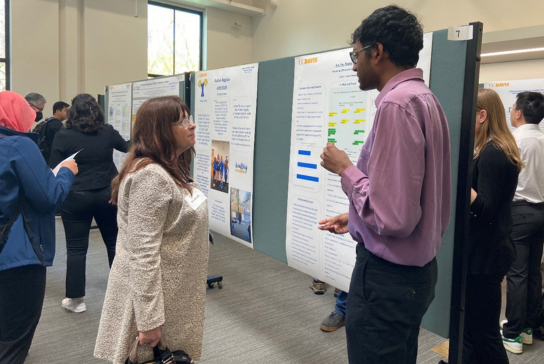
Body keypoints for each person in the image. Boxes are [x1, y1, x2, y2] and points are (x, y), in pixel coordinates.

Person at [319, 6, 451, 363]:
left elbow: (394, 217)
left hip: (386, 280)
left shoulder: (396, 105)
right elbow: (409, 199)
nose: (353, 64)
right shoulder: (426, 100)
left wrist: (346, 170)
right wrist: (358, 217)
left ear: (377, 52)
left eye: (356, 54)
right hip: (415, 275)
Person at [94, 96, 208, 364]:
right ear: (160, 131)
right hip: (155, 298)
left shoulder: (171, 167)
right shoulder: (151, 177)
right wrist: (149, 321)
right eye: (181, 121)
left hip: (171, 290)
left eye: (189, 118)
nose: (191, 126)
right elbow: (143, 254)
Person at [0, 91, 77, 363]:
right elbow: (49, 197)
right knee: (14, 340)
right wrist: (67, 172)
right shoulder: (19, 145)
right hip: (18, 254)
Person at [49, 94, 129, 313]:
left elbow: (54, 167)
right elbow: (129, 148)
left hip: (75, 196)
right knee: (114, 242)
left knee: (76, 249)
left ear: (73, 111)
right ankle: (121, 293)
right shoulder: (108, 132)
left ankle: (76, 300)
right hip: (107, 194)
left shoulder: (63, 136)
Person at [462, 88, 522, 363]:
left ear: (482, 115)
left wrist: (460, 180)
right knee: (473, 329)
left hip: (486, 255)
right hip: (484, 251)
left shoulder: (493, 153)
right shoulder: (489, 149)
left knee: (485, 333)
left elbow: (485, 209)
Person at [502, 91, 544, 354]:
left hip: (519, 212)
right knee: (533, 272)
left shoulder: (512, 141)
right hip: (541, 212)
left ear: (518, 112)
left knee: (516, 274)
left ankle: (513, 334)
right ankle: (528, 327)